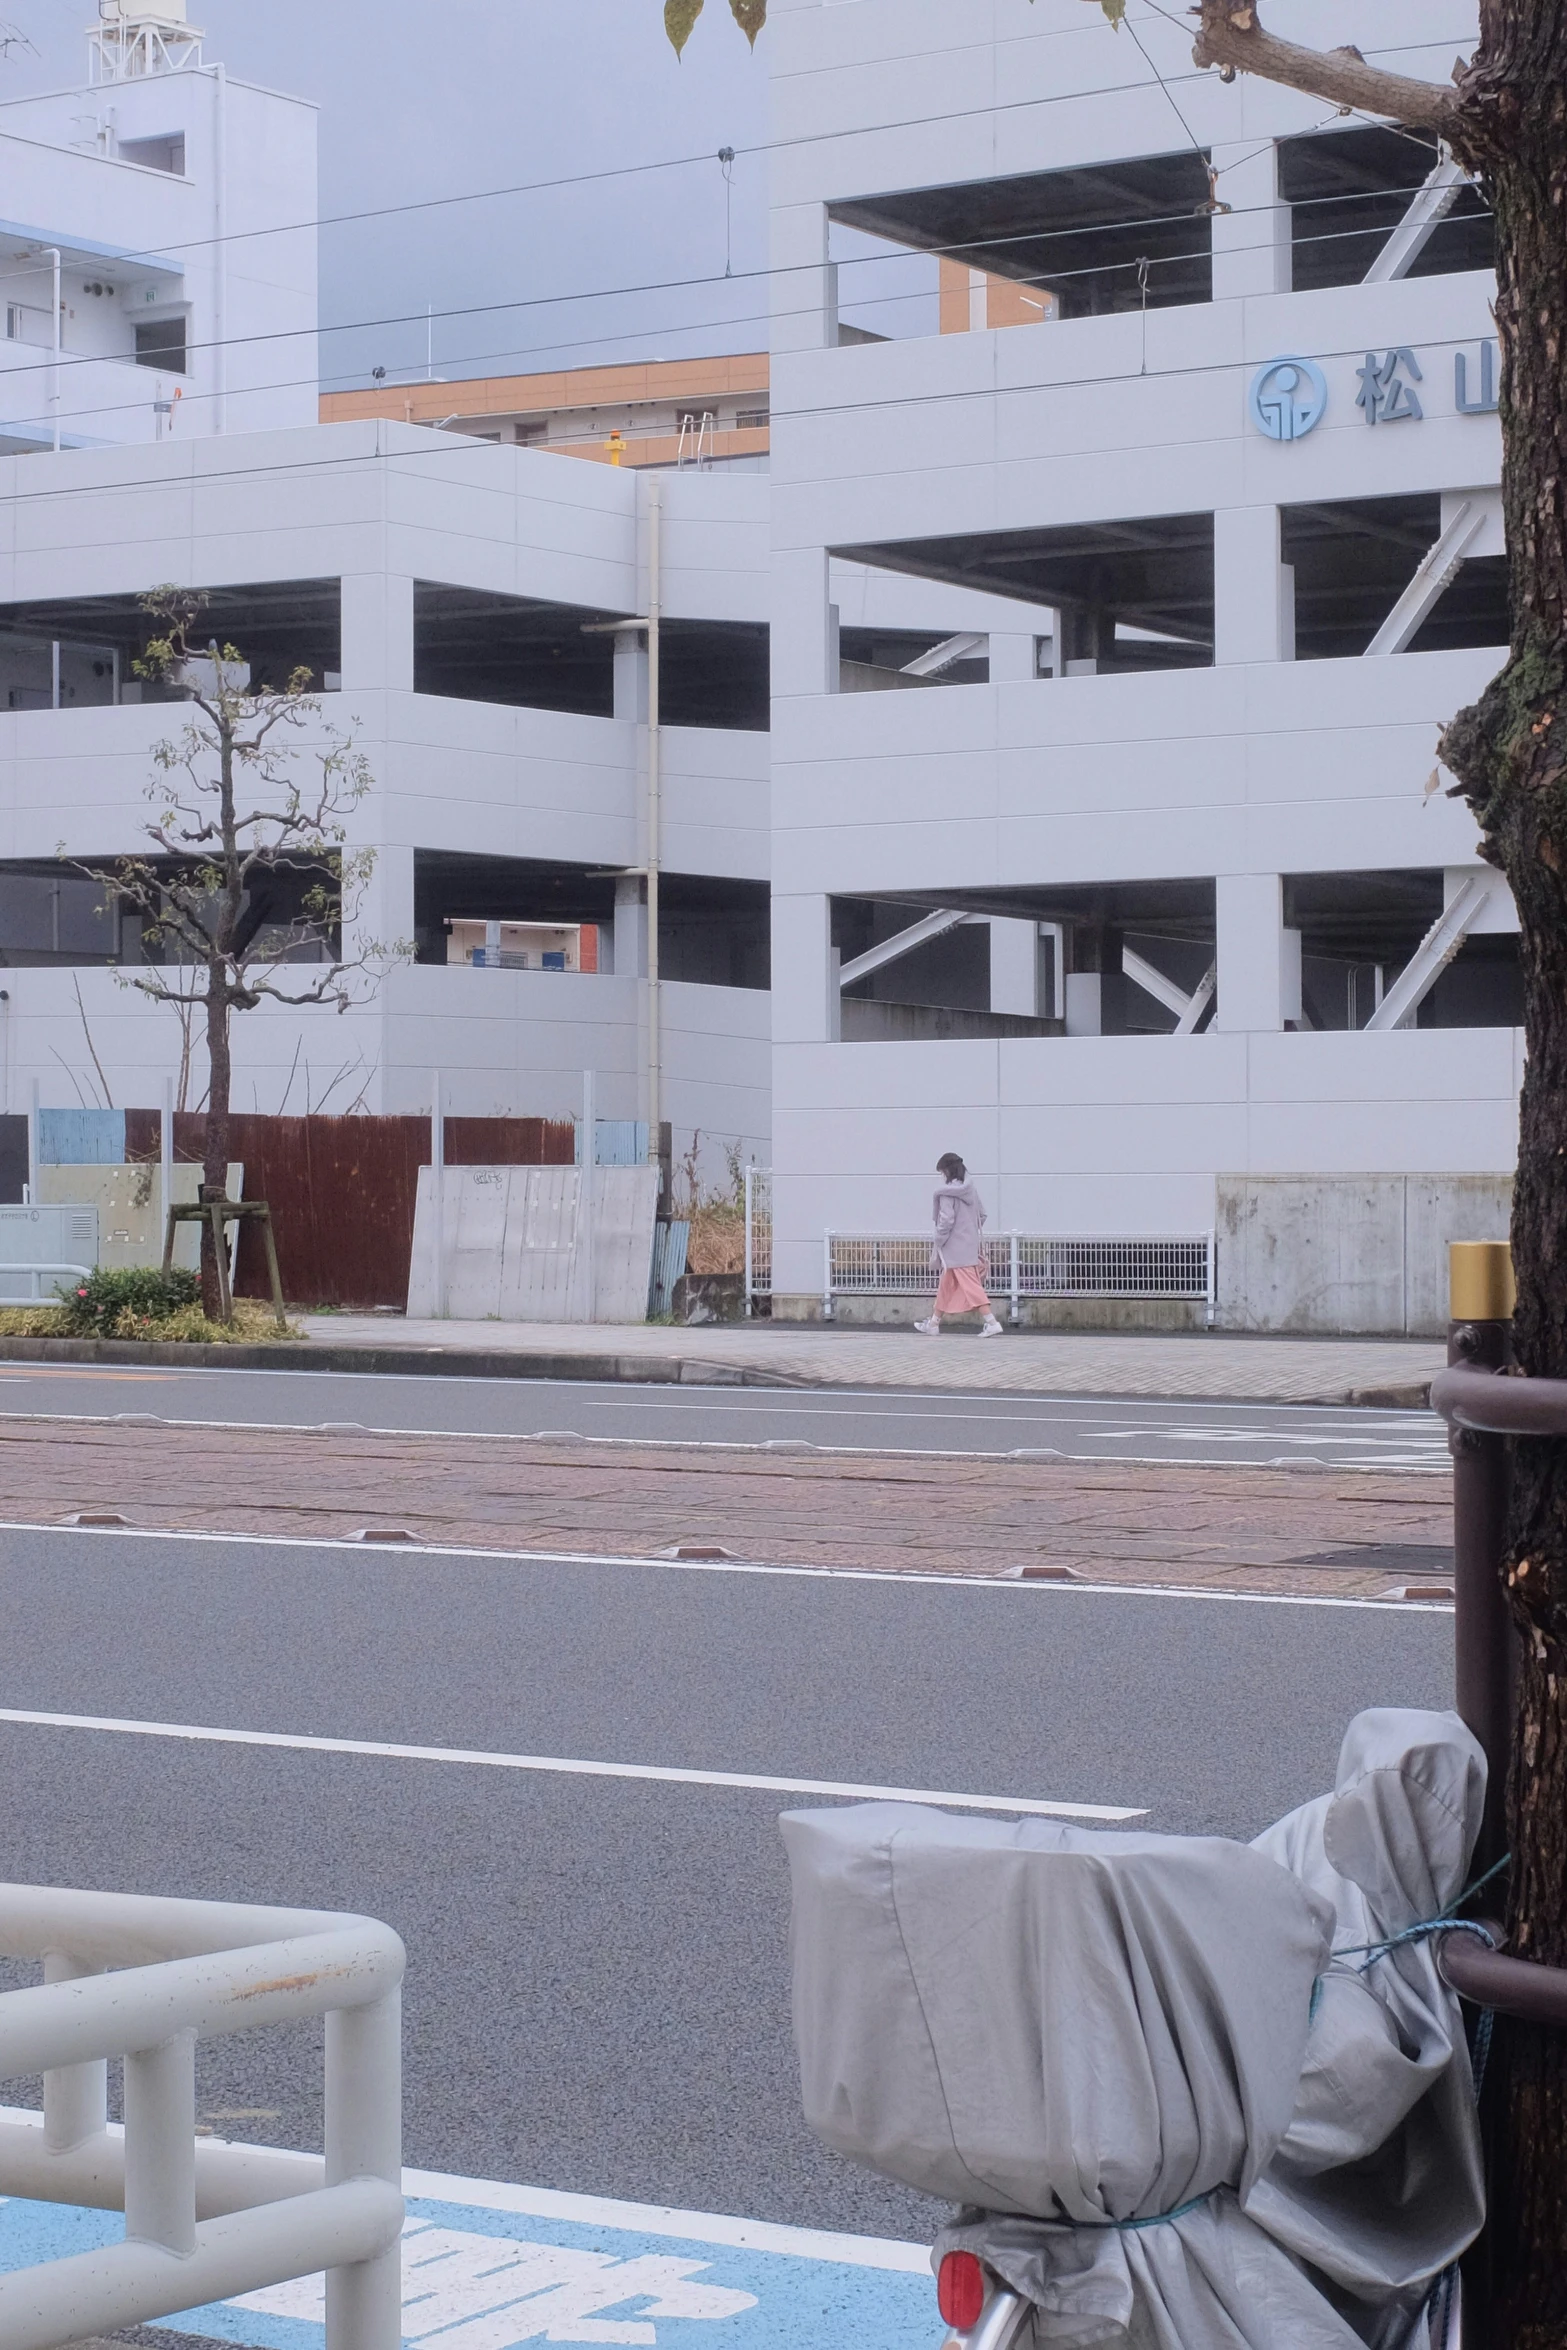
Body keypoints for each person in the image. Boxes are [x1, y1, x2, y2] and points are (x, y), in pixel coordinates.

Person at [915, 1153, 1003, 1337]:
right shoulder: (970, 1190)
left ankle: (992, 1322)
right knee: (946, 1285)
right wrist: (968, 1231)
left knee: (971, 1285)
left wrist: (939, 1239)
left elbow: (946, 1221)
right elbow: (982, 1215)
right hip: (968, 1245)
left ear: (946, 1170)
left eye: (941, 1172)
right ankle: (934, 1323)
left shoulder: (945, 1193)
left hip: (952, 1247)